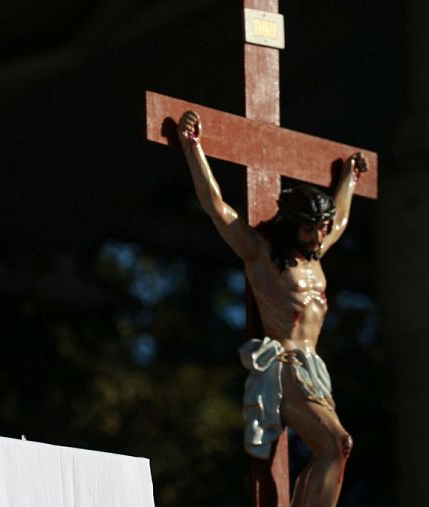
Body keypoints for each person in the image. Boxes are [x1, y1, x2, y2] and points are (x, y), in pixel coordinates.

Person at [177, 111, 366, 507]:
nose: (319, 235)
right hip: (285, 365)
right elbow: (217, 208)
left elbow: (343, 219)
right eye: (310, 227)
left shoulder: (316, 254)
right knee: (337, 443)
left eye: (322, 227)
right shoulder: (261, 253)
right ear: (291, 224)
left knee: (334, 448)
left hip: (314, 368)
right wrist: (193, 148)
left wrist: (348, 179)